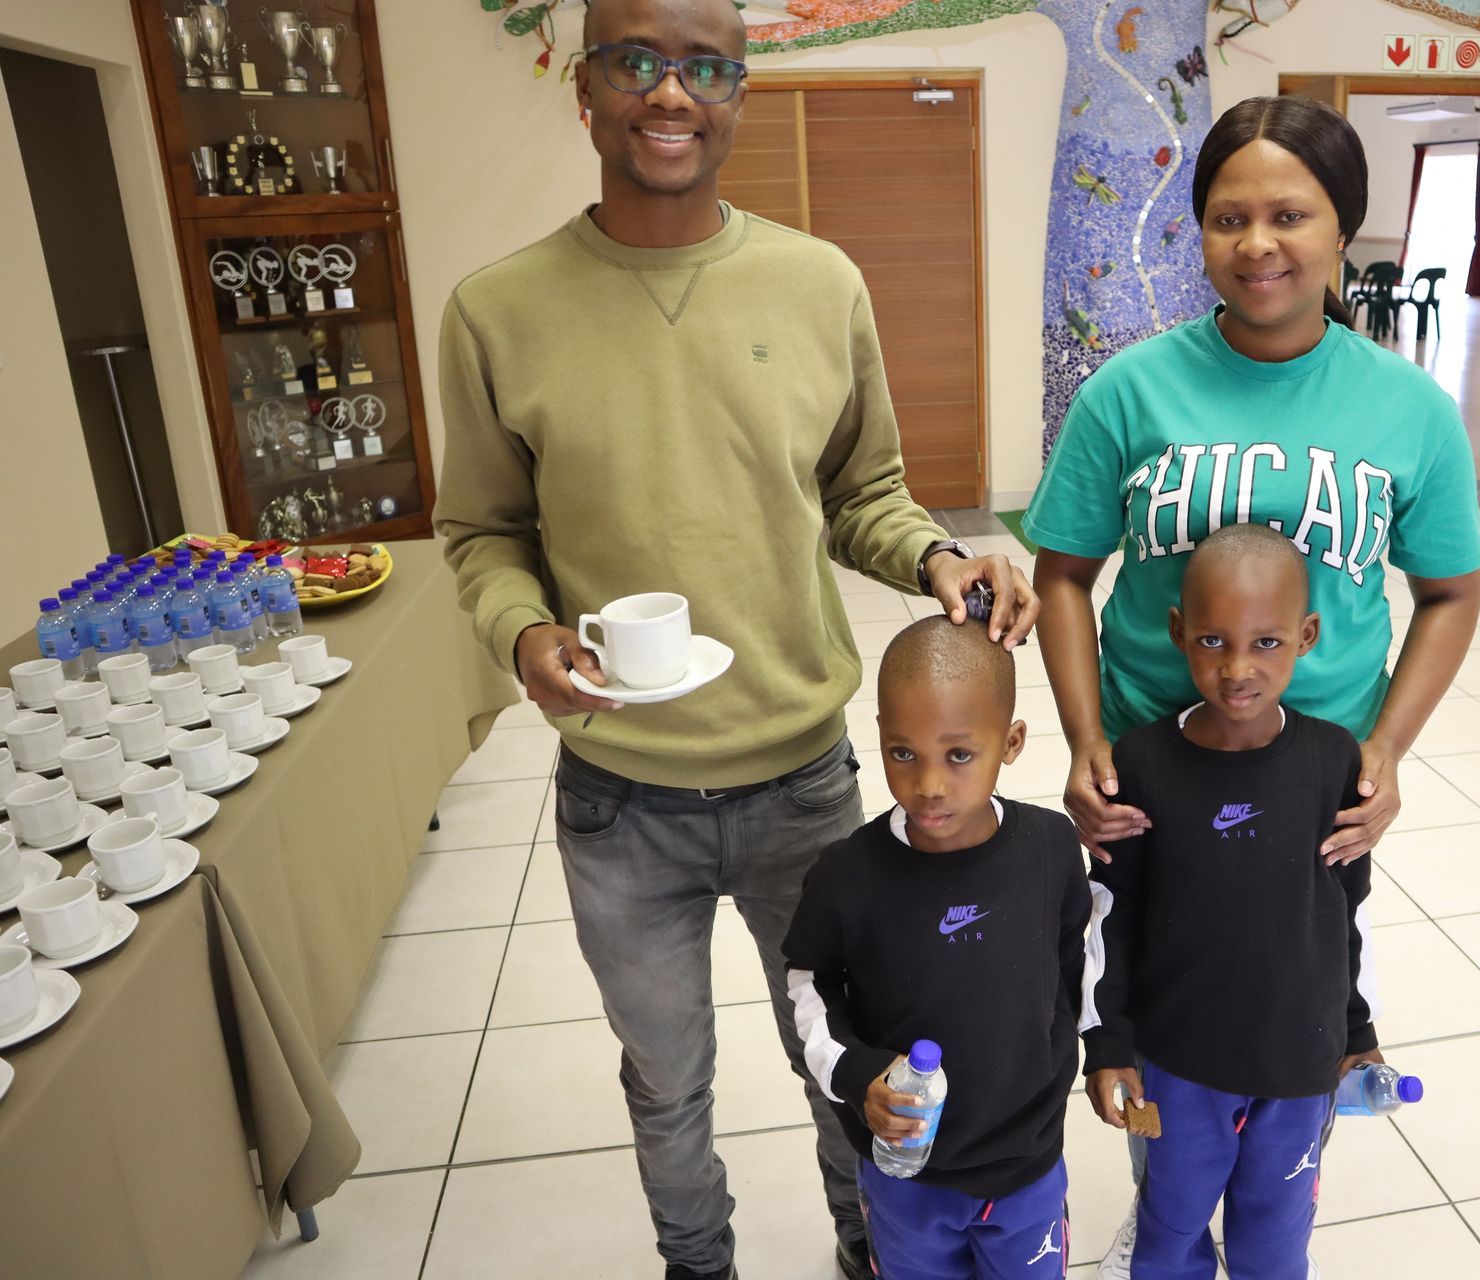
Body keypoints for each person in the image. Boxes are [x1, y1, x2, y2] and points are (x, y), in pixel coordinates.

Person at [432, 0, 1039, 1275]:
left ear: (738, 95)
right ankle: (695, 1261)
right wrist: (523, 629)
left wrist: (937, 557)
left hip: (801, 784)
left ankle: (868, 1246)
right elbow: (481, 531)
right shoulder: (498, 309)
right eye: (638, 61)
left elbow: (863, 493)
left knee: (848, 1058)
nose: (671, 93)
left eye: (705, 66)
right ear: (585, 88)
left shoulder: (820, 284)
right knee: (665, 1079)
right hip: (620, 799)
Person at [1023, 94, 1480, 1276]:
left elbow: (1449, 593)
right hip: (1151, 777)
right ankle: (1169, 1221)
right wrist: (1085, 737)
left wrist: (1384, 751)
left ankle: (1281, 1183)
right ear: (1199, 233)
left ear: (1344, 232)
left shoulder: (1408, 409)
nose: (1258, 243)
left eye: (1291, 214)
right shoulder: (1128, 392)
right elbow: (1065, 575)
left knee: (1295, 986)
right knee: (1156, 993)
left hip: (1314, 788)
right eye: (1229, 216)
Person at [1081, 525, 1379, 1280]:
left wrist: (1357, 1028)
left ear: (1307, 636)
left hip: (1299, 1064)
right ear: (1178, 630)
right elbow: (1108, 918)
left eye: (1268, 643)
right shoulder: (1141, 762)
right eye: (1212, 639)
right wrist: (1108, 1045)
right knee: (1168, 1231)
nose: (1238, 668)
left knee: (1275, 1240)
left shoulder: (1335, 759)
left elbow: (1348, 907)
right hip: (1176, 1067)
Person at [783, 616, 1091, 1279]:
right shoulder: (846, 875)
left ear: (1010, 743)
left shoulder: (1050, 847)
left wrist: (1104, 1050)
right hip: (905, 1172)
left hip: (1027, 1163)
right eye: (903, 753)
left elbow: (1077, 964)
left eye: (958, 755)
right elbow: (809, 985)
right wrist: (856, 1071)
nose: (928, 784)